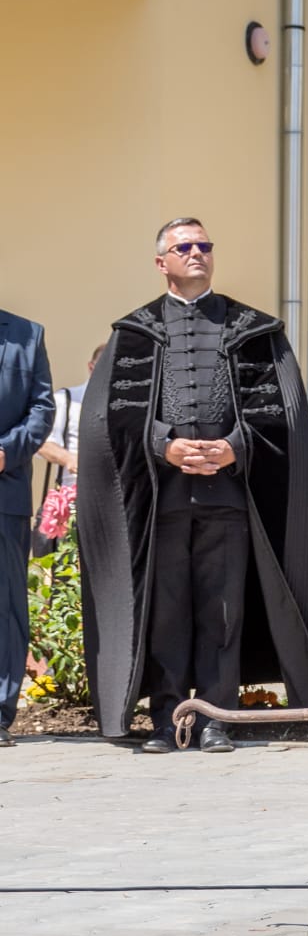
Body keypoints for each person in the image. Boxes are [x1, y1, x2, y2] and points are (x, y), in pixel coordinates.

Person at [78, 217, 308, 753]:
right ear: (162, 262)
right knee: (166, 613)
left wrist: (235, 447)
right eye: (184, 247)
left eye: (203, 245)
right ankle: (166, 720)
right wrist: (162, 445)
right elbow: (110, 418)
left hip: (229, 501)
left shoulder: (251, 328)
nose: (196, 253)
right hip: (164, 503)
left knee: (225, 611)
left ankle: (219, 719)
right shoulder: (134, 332)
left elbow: (281, 417)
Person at [0, 309, 54, 748]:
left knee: (5, 605)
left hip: (5, 491)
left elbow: (41, 408)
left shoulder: (26, 335)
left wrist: (6, 452)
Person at [36, 344, 104, 488]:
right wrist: (69, 459)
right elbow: (42, 443)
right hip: (71, 493)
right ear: (91, 367)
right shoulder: (65, 399)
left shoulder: (124, 406)